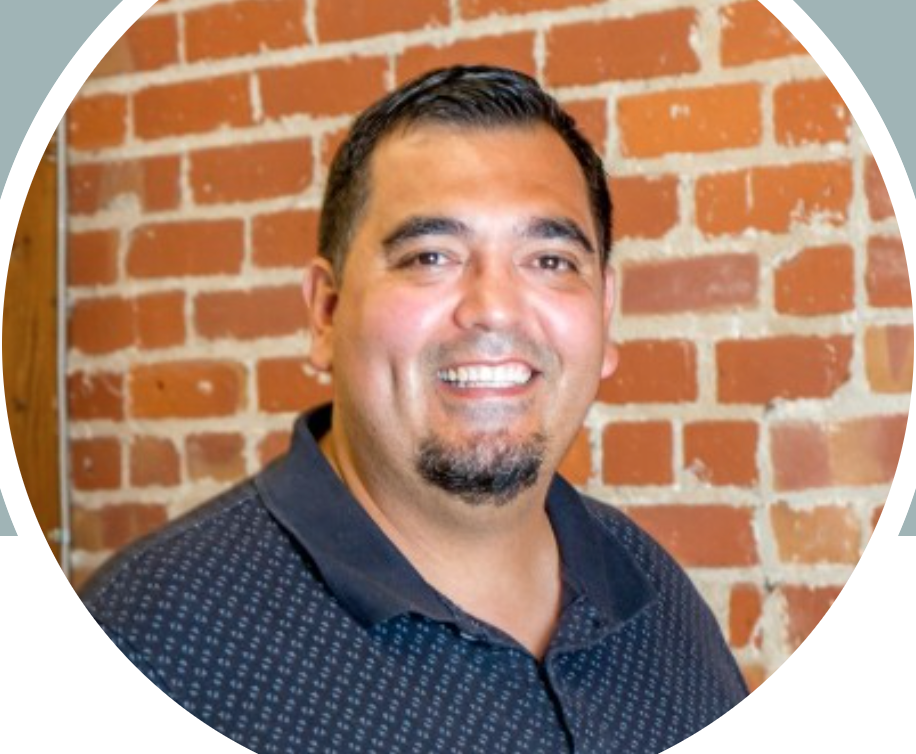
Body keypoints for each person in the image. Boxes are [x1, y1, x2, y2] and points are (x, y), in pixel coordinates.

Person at [82, 65, 747, 754]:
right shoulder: (153, 643)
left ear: (605, 316)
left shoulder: (658, 601)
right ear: (325, 312)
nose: (494, 307)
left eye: (550, 260)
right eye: (431, 255)